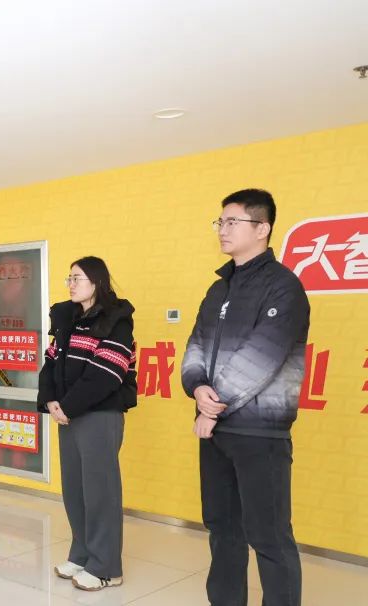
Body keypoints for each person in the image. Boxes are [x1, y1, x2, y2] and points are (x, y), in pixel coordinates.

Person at [181, 189, 308, 606]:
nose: (223, 229)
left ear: (262, 228)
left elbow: (262, 357)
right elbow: (195, 346)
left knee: (269, 535)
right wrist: (196, 387)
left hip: (260, 432)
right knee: (222, 528)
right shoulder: (218, 289)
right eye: (220, 222)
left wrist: (211, 408)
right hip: (215, 430)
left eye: (232, 221)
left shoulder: (283, 287)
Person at [38, 256, 137, 591]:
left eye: (77, 278)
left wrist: (66, 406)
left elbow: (106, 374)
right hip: (67, 414)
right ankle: (82, 554)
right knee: (75, 490)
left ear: (97, 282)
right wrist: (51, 400)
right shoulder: (68, 318)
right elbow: (51, 362)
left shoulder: (116, 320)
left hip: (99, 415)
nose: (70, 284)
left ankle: (107, 566)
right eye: (69, 278)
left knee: (100, 492)